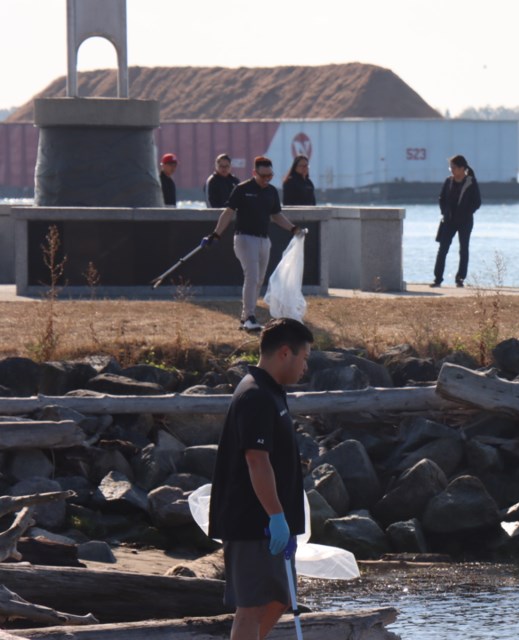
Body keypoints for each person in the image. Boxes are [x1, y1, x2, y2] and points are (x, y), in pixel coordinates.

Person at [208, 317, 313, 640]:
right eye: (304, 357)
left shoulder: (273, 392)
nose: (305, 367)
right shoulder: (255, 395)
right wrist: (277, 516)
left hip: (272, 522)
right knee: (251, 605)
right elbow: (256, 460)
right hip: (253, 521)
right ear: (285, 352)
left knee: (280, 598)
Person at [202, 156, 305, 332]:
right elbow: (228, 213)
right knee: (252, 276)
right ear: (254, 173)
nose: (266, 179)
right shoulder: (242, 189)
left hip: (264, 239)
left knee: (259, 279)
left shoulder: (271, 191)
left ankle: (245, 318)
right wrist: (216, 234)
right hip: (244, 238)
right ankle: (250, 316)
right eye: (263, 176)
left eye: (270, 176)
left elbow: (276, 215)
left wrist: (293, 228)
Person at [431, 154, 481, 288]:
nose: (451, 170)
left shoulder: (471, 182)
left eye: (454, 167)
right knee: (443, 249)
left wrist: (466, 213)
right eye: (450, 167)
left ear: (462, 168)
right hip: (448, 221)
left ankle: (460, 279)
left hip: (465, 222)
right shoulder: (448, 181)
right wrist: (444, 212)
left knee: (463, 249)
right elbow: (441, 198)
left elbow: (477, 202)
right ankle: (438, 279)